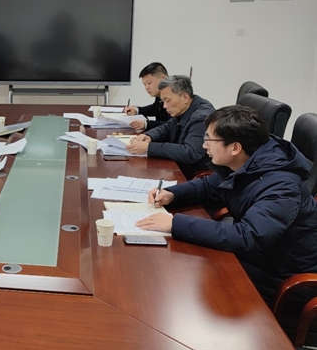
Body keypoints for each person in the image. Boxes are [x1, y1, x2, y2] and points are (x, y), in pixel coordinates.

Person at [136, 105, 317, 304]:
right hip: (260, 256)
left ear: (235, 148)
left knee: (187, 275)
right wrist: (172, 194)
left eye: (209, 140)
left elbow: (247, 236)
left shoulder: (281, 185)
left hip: (284, 276)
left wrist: (174, 223)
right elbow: (209, 186)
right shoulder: (248, 161)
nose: (204, 146)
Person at [126, 75, 214, 179]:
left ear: (185, 97)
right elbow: (167, 127)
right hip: (180, 166)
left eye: (168, 101)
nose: (165, 106)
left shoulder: (201, 118)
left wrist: (149, 147)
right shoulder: (184, 108)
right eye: (163, 101)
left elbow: (190, 153)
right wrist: (149, 136)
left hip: (196, 175)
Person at [124, 62, 170, 131]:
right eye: (144, 84)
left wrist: (146, 124)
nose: (147, 88)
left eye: (149, 83)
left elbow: (171, 125)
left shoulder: (173, 96)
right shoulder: (159, 94)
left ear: (163, 79)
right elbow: (154, 108)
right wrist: (137, 110)